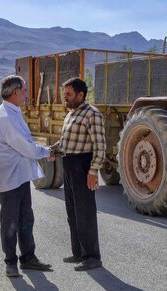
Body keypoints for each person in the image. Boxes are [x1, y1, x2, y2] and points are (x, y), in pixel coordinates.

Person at [0, 75, 53, 277]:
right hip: (9, 178)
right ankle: (10, 262)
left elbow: (25, 143)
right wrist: (47, 152)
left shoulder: (13, 112)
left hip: (20, 175)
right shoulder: (6, 117)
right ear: (15, 92)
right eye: (24, 90)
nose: (26, 94)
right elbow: (25, 146)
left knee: (26, 218)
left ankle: (28, 258)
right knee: (10, 221)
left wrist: (43, 151)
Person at [50, 77, 106, 271]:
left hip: (83, 165)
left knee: (85, 213)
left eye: (68, 94)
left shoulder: (92, 114)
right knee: (72, 212)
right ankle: (78, 253)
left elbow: (100, 146)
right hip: (69, 164)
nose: (65, 97)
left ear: (81, 95)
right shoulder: (71, 113)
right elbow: (66, 141)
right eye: (64, 94)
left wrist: (93, 171)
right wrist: (53, 150)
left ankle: (92, 257)